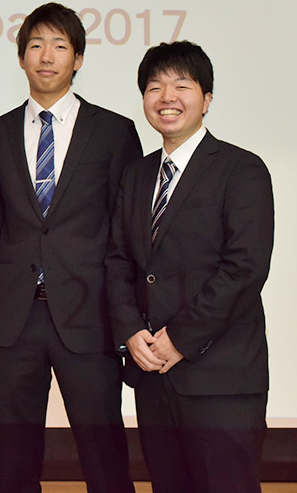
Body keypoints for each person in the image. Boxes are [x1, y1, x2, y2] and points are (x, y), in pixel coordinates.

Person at [0, 2, 140, 493]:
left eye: (59, 46)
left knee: (103, 455)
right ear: (21, 58)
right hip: (16, 316)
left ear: (78, 58)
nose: (46, 56)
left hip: (88, 314)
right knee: (15, 458)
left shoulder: (114, 131)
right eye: (35, 46)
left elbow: (125, 228)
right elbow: (5, 224)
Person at [106, 41, 273, 493]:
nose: (167, 97)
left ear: (207, 99)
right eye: (155, 87)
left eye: (182, 85)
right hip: (154, 377)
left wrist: (178, 339)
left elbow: (245, 269)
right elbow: (119, 259)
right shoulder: (137, 175)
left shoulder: (242, 169)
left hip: (221, 378)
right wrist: (129, 330)